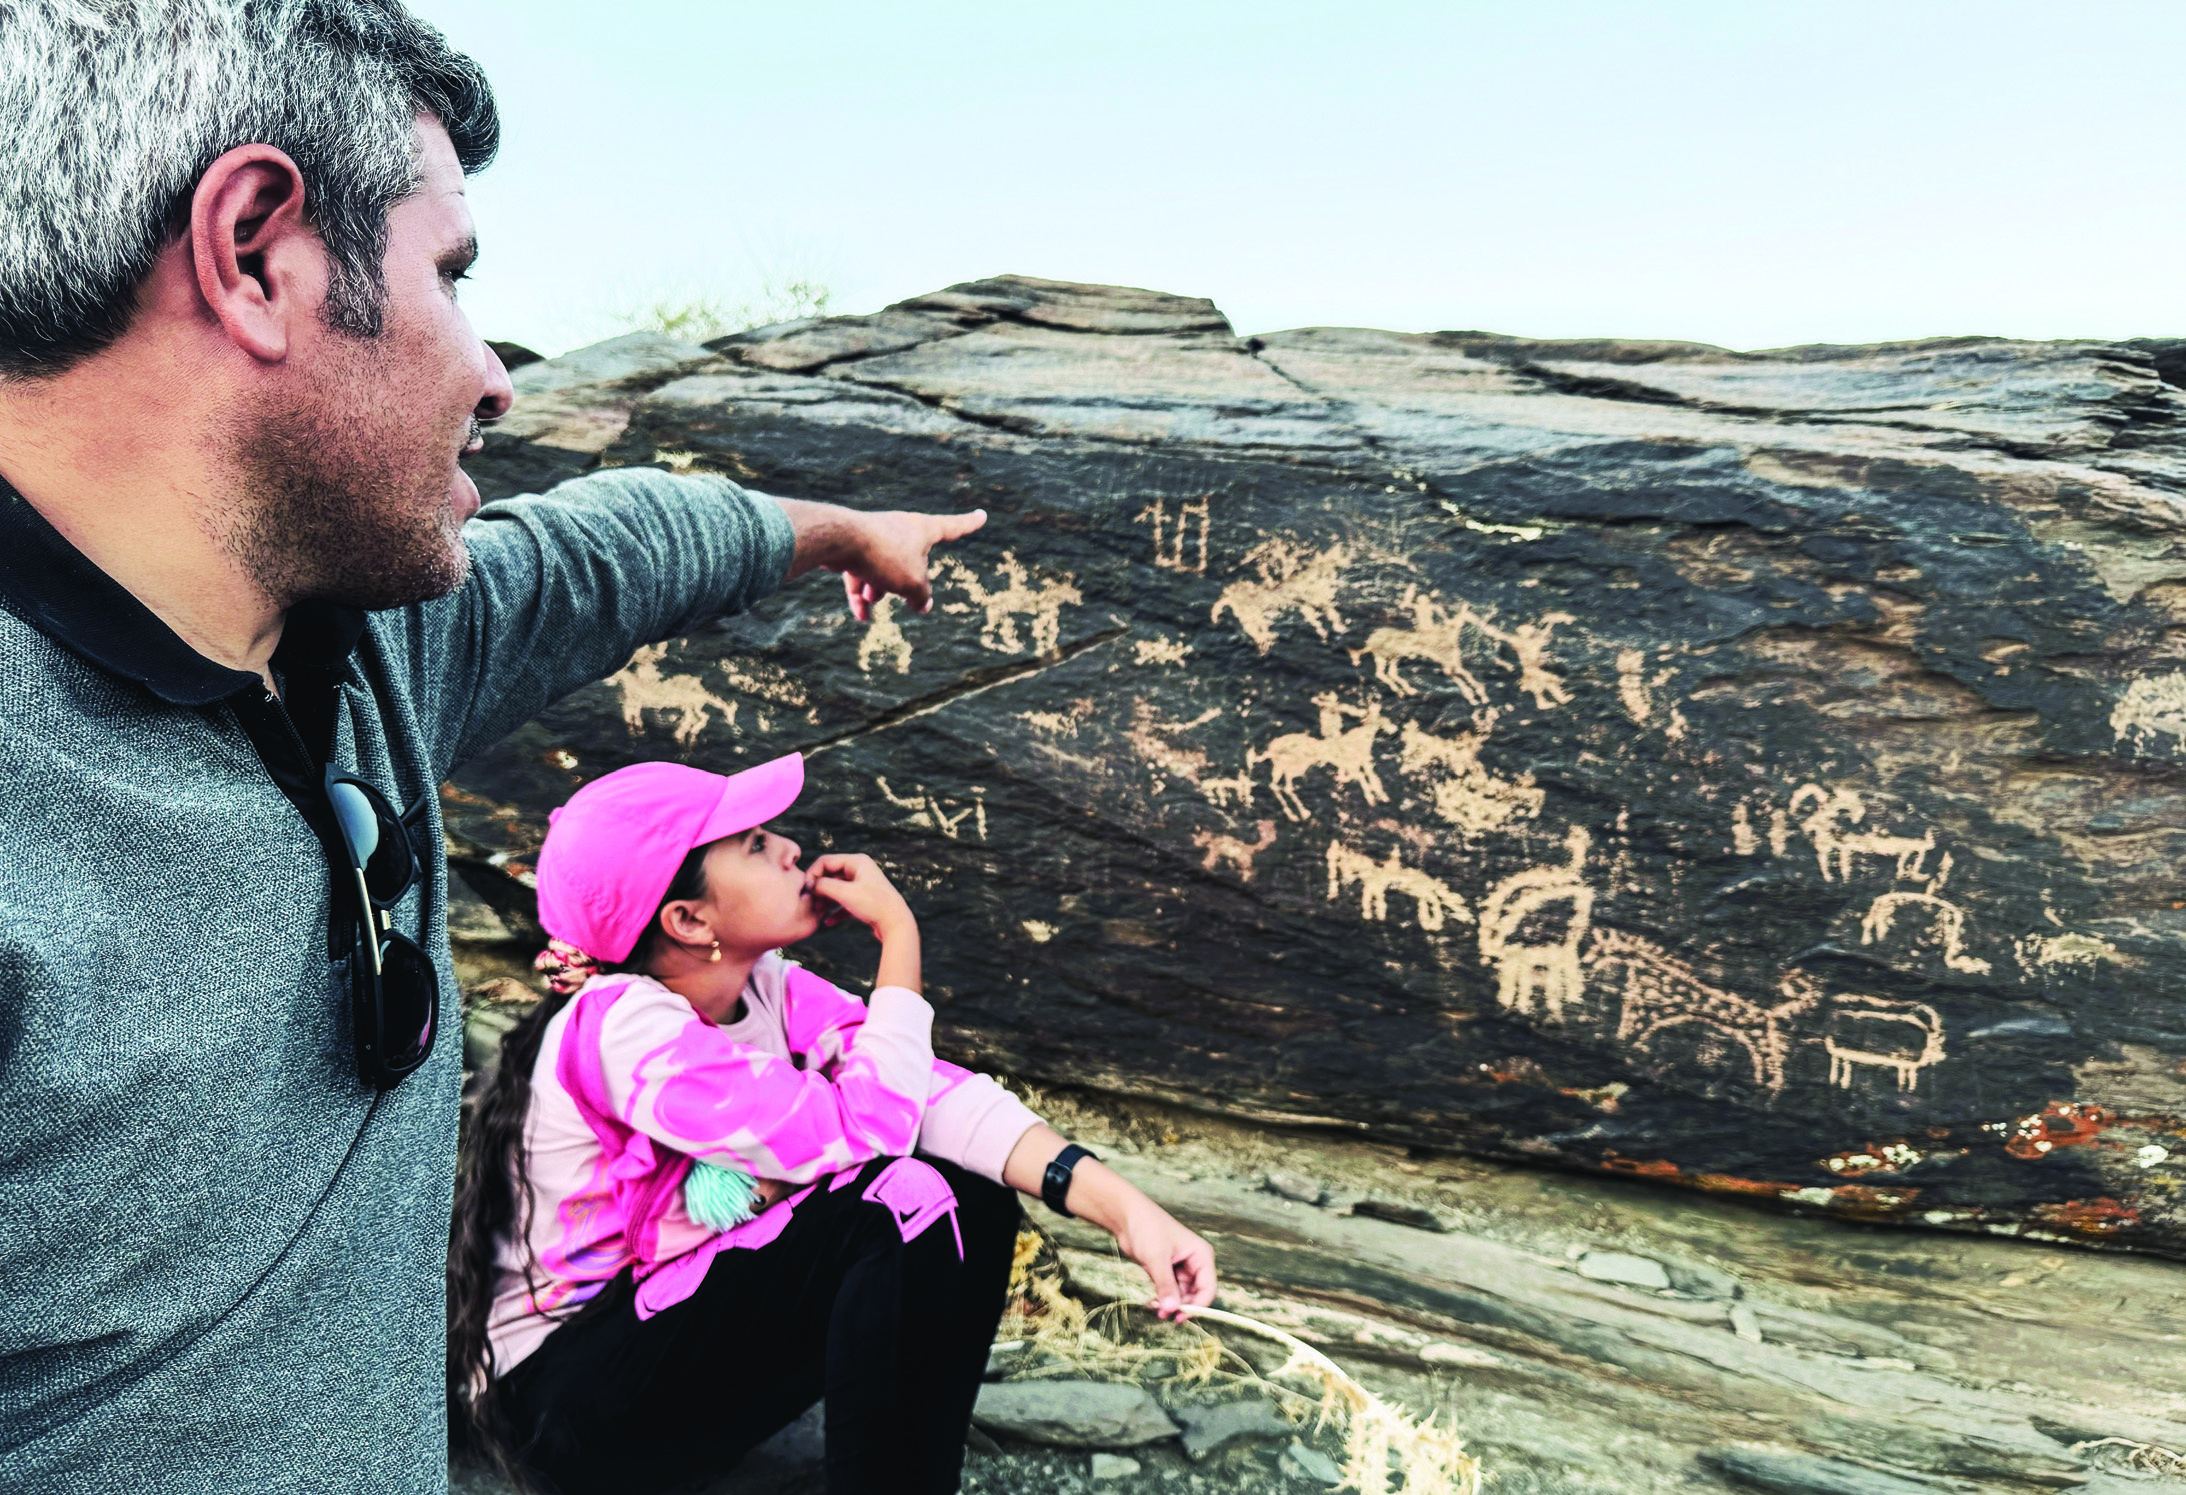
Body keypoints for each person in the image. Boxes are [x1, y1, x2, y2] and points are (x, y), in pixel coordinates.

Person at [0, 4, 984, 1491]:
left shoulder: (373, 640)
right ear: (257, 250)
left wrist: (843, 529)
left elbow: (624, 542)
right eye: (451, 275)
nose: (496, 371)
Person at [449, 752, 1214, 1494]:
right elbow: (872, 1135)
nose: (789, 847)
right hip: (567, 1404)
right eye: (754, 844)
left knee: (972, 1196)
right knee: (898, 1197)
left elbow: (932, 1098)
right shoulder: (624, 1030)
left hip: (671, 1353)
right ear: (687, 917)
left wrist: (1130, 1212)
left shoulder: (767, 990)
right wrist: (900, 941)